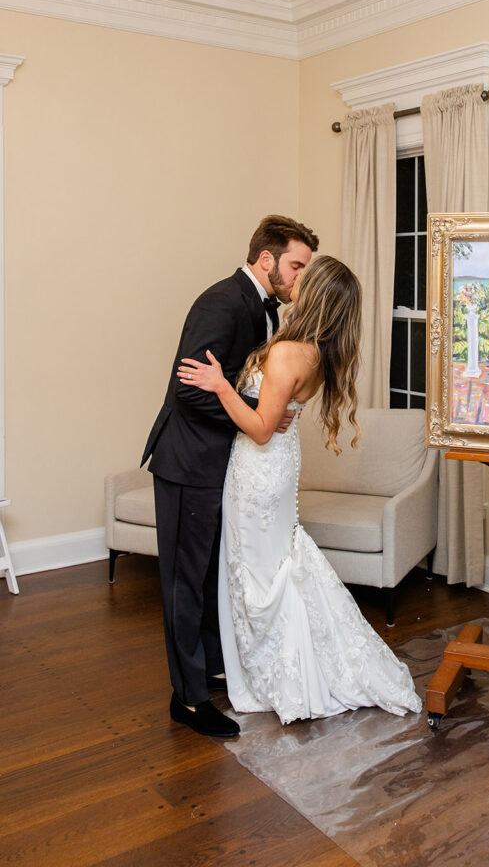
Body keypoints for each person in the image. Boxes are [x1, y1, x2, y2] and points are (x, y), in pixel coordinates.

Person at [177, 256, 421, 724]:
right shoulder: (317, 354)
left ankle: (279, 672)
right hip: (278, 471)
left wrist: (220, 386)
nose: (296, 283)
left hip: (259, 468)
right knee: (271, 568)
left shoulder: (289, 352)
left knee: (257, 574)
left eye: (305, 279)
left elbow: (262, 428)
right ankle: (275, 659)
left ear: (318, 297)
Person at [141, 215, 319, 739]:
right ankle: (189, 699)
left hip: (226, 464)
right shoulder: (221, 301)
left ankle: (213, 670)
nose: (300, 277)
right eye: (295, 265)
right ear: (267, 260)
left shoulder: (267, 310)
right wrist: (258, 411)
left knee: (212, 574)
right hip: (189, 463)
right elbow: (190, 391)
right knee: (184, 583)